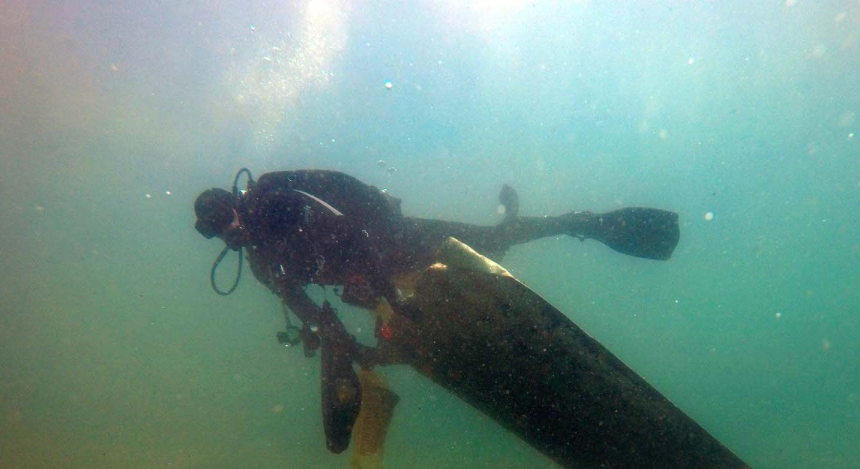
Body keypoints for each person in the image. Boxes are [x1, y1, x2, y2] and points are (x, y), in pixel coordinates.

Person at [193, 168, 679, 451]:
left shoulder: (277, 205)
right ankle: (518, 230)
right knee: (481, 250)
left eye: (224, 220)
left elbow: (353, 236)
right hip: (372, 273)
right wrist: (337, 340)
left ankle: (586, 223)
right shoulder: (260, 258)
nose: (227, 234)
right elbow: (299, 301)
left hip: (390, 241)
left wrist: (392, 295)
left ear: (238, 204)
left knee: (491, 240)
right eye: (215, 231)